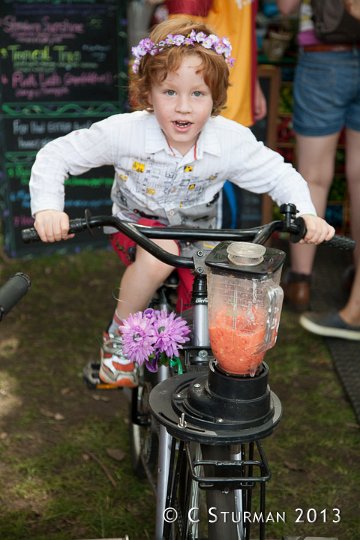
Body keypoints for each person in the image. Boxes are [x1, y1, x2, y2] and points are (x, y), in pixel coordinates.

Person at [29, 17, 335, 387]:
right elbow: (56, 155)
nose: (183, 108)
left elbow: (279, 174)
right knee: (160, 250)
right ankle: (119, 340)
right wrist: (47, 207)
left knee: (211, 299)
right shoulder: (126, 132)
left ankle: (201, 371)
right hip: (136, 227)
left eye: (198, 94)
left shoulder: (229, 142)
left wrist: (304, 212)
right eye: (169, 92)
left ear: (216, 97)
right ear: (148, 92)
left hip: (199, 232)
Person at [276, 0, 360, 339]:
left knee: (313, 177)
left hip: (324, 57)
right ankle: (355, 287)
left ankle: (301, 284)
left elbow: (285, 7)